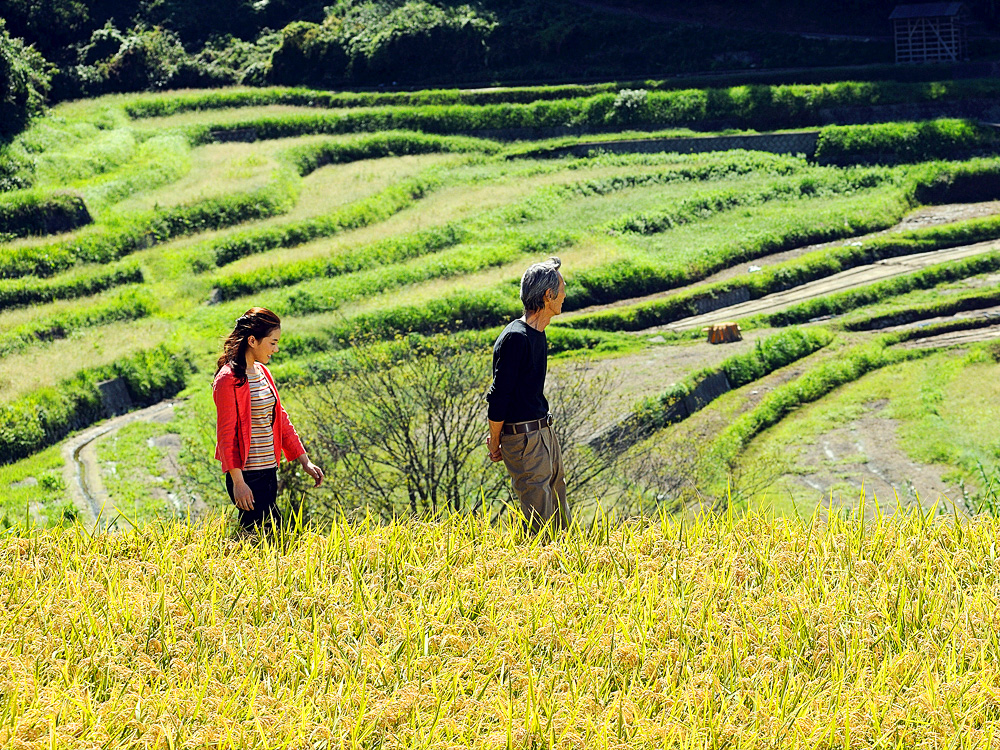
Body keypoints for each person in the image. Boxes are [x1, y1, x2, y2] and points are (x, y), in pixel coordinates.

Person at [213, 307, 323, 530]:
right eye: (272, 343)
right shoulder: (228, 379)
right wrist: (239, 483)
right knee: (266, 533)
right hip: (248, 476)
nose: (276, 349)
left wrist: (304, 460)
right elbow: (226, 435)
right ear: (252, 340)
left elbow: (280, 420)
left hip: (269, 470)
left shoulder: (263, 373)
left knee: (264, 535)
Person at [486, 257, 570, 532]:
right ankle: (539, 570)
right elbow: (499, 397)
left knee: (558, 506)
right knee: (540, 521)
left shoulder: (537, 333)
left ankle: (568, 568)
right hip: (523, 439)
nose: (565, 294)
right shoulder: (516, 338)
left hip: (542, 432)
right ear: (548, 296)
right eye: (562, 288)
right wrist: (495, 440)